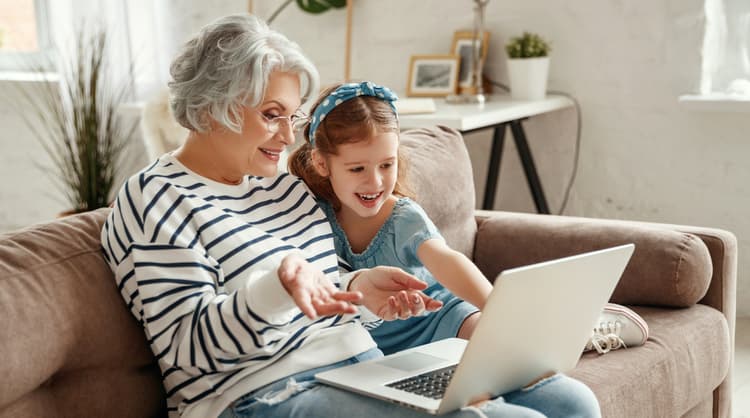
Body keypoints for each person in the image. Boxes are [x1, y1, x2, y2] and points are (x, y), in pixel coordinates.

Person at [101, 13, 601, 418]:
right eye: (271, 114)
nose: (288, 134)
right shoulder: (154, 198)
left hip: (362, 366)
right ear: (213, 108)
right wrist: (275, 285)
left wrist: (360, 290)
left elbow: (323, 291)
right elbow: (191, 347)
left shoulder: (286, 190)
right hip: (258, 395)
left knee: (570, 401)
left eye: (292, 116)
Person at [289, 81, 493, 354]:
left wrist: (495, 310)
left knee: (488, 340)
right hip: (367, 344)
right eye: (357, 168)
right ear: (322, 163)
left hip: (438, 319)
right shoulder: (312, 212)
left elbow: (447, 261)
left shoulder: (403, 217)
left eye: (387, 165)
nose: (375, 182)